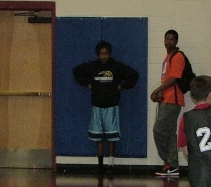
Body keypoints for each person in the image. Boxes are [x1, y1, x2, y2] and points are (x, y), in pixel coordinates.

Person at [72, 40, 139, 171]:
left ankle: (111, 163)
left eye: (106, 54)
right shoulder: (92, 67)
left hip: (112, 106)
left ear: (110, 54)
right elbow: (76, 71)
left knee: (111, 136)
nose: (104, 56)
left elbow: (134, 75)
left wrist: (122, 86)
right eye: (101, 54)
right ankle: (100, 164)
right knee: (98, 137)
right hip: (97, 106)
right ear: (98, 55)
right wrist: (86, 83)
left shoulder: (117, 67)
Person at [151, 29, 187, 178]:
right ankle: (172, 166)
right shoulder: (168, 58)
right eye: (167, 39)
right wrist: (159, 95)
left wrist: (156, 91)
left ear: (176, 41)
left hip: (173, 101)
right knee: (170, 134)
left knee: (158, 130)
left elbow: (174, 79)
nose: (169, 42)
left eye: (172, 39)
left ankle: (169, 161)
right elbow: (167, 80)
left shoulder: (178, 57)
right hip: (166, 100)